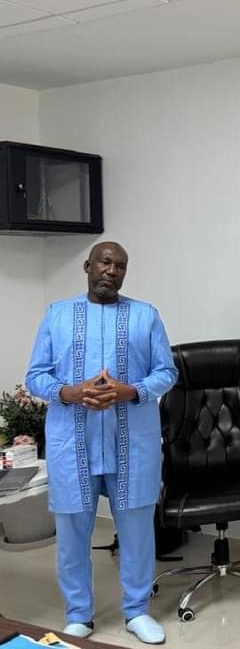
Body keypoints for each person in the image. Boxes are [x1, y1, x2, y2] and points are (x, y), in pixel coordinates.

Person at [25, 242, 177, 645]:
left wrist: (132, 391)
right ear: (87, 265)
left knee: (137, 531)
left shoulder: (145, 315)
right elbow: (36, 376)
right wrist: (69, 393)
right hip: (73, 443)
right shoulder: (57, 315)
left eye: (121, 265)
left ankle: (137, 611)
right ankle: (78, 615)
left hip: (133, 442)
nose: (112, 270)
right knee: (72, 535)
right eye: (105, 262)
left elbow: (167, 372)